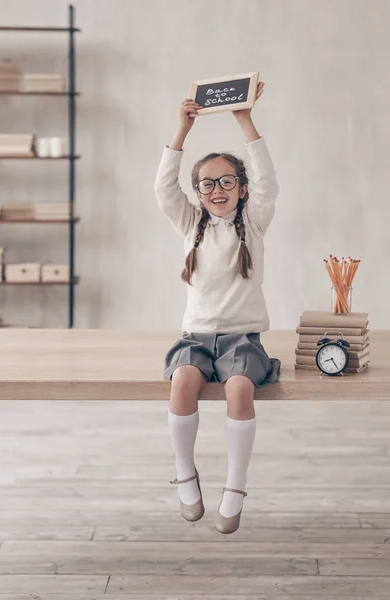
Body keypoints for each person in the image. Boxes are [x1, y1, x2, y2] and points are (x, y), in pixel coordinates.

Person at [154, 80, 281, 534]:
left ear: (241, 189)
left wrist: (244, 119)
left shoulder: (254, 220)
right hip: (196, 338)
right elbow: (164, 187)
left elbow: (268, 180)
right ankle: (185, 475)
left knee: (240, 390)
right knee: (183, 383)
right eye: (208, 183)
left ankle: (235, 486)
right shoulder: (191, 224)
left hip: (242, 338)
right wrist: (181, 131)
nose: (217, 189)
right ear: (199, 191)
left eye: (227, 181)